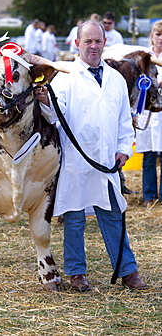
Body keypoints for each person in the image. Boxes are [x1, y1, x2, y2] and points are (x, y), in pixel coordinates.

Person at [34, 20, 146, 291]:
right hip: (75, 161)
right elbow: (53, 116)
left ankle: (127, 271)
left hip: (107, 161)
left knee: (113, 215)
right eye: (88, 41)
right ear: (77, 44)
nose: (93, 46)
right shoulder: (65, 77)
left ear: (104, 43)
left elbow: (124, 120)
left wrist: (123, 149)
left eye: (98, 41)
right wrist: (45, 102)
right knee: (74, 218)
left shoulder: (116, 79)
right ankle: (76, 273)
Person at [135, 19, 162, 207]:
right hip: (148, 110)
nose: (160, 38)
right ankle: (148, 195)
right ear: (151, 36)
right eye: (158, 34)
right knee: (149, 155)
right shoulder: (142, 57)